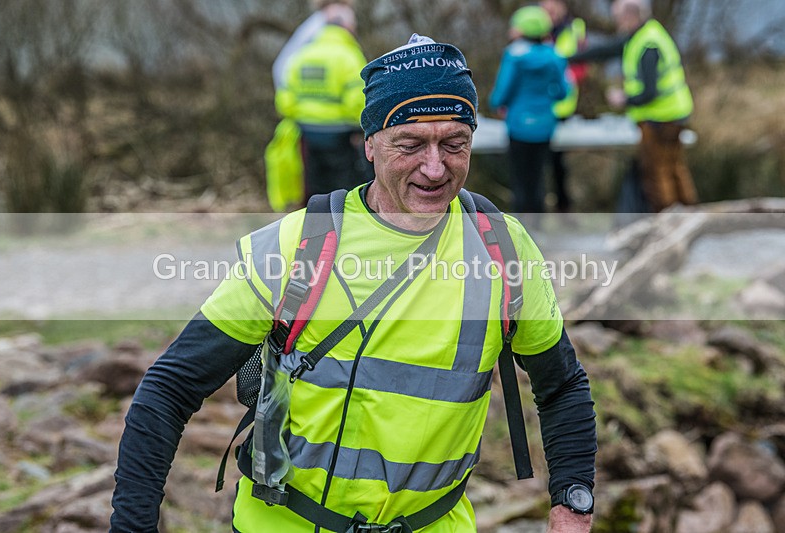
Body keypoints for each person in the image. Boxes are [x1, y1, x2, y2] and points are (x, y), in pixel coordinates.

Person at [111, 34, 596, 533]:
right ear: (369, 144)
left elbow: (562, 387)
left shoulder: (503, 250)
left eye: (455, 144)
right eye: (410, 145)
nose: (435, 168)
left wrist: (572, 504)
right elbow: (169, 389)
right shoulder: (297, 246)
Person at [570, 0, 698, 212]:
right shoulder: (646, 34)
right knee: (675, 169)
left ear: (630, 16)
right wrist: (571, 58)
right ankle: (691, 215)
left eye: (618, 17)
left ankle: (666, 221)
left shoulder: (647, 44)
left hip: (660, 118)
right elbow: (607, 50)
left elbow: (649, 92)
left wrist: (624, 99)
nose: (617, 22)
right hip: (675, 113)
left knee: (657, 174)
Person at [274, 3, 372, 201]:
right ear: (348, 27)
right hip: (341, 139)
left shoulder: (302, 55)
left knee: (315, 192)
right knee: (344, 195)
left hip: (307, 136)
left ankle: (317, 230)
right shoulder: (349, 56)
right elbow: (358, 104)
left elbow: (284, 100)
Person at [489, 6, 569, 222]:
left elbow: (501, 94)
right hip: (545, 125)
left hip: (518, 124)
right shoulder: (555, 56)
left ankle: (520, 227)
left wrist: (497, 104)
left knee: (520, 179)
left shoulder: (514, 56)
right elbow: (563, 92)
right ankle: (539, 226)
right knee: (538, 177)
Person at [541, 0, 588, 213]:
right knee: (541, 162)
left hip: (562, 107)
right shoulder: (536, 30)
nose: (549, 13)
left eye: (552, 9)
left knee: (558, 161)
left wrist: (561, 81)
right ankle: (541, 210)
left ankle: (563, 207)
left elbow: (581, 67)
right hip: (540, 108)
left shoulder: (574, 29)